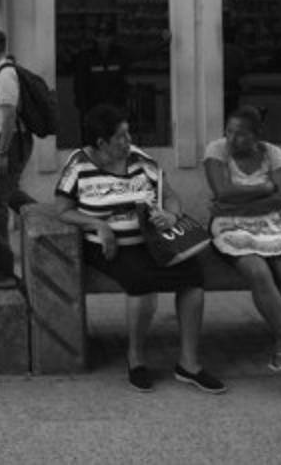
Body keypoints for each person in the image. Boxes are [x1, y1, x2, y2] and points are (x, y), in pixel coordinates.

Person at [54, 103, 226, 394]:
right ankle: (136, 358)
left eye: (128, 133)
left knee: (193, 276)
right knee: (141, 281)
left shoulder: (140, 160)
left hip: (152, 240)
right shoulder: (79, 164)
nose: (128, 140)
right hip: (109, 246)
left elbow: (171, 198)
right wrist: (99, 226)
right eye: (121, 136)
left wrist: (169, 215)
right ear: (101, 143)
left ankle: (189, 363)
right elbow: (62, 209)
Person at [203, 105, 281, 391]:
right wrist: (266, 188)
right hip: (230, 226)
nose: (232, 139)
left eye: (241, 135)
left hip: (272, 225)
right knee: (258, 272)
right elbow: (222, 193)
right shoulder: (216, 151)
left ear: (256, 136)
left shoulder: (273, 154)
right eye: (229, 132)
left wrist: (241, 200)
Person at [0, 29, 35, 259]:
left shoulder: (4, 74)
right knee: (6, 193)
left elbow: (9, 116)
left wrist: (2, 151)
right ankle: (44, 218)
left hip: (12, 140)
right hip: (9, 139)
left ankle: (2, 253)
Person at [72, 22, 130, 141]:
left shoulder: (119, 55)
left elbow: (141, 52)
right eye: (100, 36)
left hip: (114, 108)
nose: (103, 40)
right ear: (95, 38)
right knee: (91, 141)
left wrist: (163, 42)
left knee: (114, 140)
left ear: (112, 38)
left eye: (107, 36)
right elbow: (80, 86)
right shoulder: (86, 57)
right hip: (92, 108)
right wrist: (83, 111)